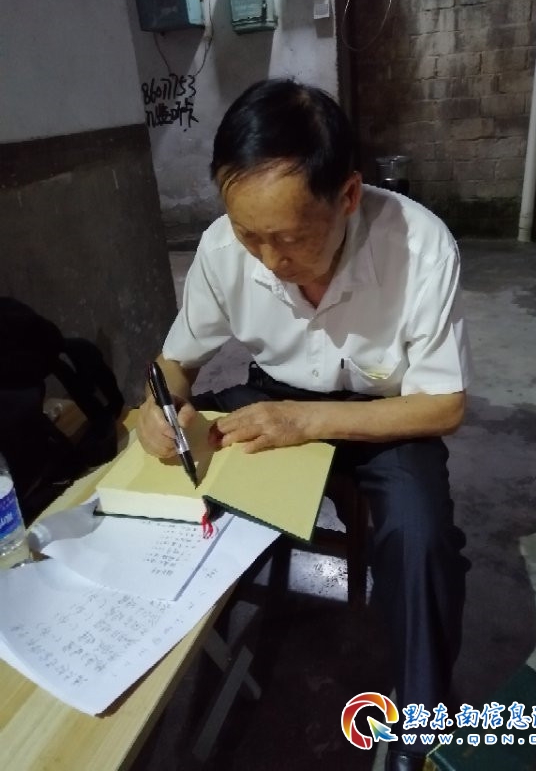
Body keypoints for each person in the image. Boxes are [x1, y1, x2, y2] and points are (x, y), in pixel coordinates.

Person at [138, 78, 472, 771]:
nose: (269, 260)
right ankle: (158, 650)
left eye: (290, 239)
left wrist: (306, 421)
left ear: (348, 196)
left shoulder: (420, 246)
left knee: (421, 538)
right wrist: (156, 409)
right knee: (167, 473)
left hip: (386, 414)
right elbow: (176, 362)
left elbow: (444, 405)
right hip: (276, 392)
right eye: (249, 236)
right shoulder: (222, 250)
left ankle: (419, 726)